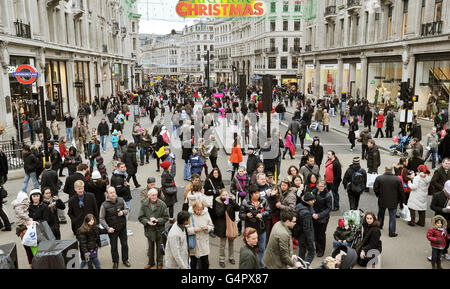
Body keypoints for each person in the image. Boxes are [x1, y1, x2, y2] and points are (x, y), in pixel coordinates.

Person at [99, 186, 130, 269]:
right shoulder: (104, 205)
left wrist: (123, 212)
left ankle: (125, 260)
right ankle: (115, 262)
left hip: (122, 227)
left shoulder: (121, 200)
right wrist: (108, 228)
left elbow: (127, 209)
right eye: (111, 193)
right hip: (112, 230)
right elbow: (101, 219)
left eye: (114, 192)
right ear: (107, 194)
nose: (113, 194)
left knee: (124, 245)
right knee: (114, 247)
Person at [239, 184, 270, 268]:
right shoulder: (245, 202)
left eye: (258, 192)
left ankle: (261, 266)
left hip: (261, 229)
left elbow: (268, 211)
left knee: (262, 249)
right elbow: (240, 215)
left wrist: (262, 214)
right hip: (250, 231)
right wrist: (246, 215)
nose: (257, 194)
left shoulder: (264, 200)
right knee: (251, 249)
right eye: (255, 193)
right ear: (251, 194)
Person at [138, 188, 169, 269]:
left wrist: (157, 220)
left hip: (159, 230)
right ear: (148, 196)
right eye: (152, 195)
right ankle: (150, 262)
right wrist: (148, 222)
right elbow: (141, 217)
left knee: (159, 248)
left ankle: (160, 263)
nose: (154, 196)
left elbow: (166, 218)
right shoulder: (145, 204)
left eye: (155, 195)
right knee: (150, 248)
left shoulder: (162, 204)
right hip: (149, 230)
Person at [374, 166, 405, 238]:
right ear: (392, 170)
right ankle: (392, 232)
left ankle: (379, 226)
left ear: (385, 169)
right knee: (392, 217)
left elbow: (375, 188)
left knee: (380, 214)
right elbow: (401, 191)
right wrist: (402, 201)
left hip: (382, 199)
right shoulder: (397, 179)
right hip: (393, 201)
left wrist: (378, 195)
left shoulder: (379, 178)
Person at [214, 189, 241, 268]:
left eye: (226, 195)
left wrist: (233, 202)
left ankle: (231, 257)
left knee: (231, 243)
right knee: (222, 244)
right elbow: (219, 214)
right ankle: (221, 259)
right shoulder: (218, 202)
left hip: (230, 225)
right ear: (220, 196)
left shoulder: (231, 201)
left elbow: (238, 208)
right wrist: (225, 205)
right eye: (223, 195)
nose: (225, 196)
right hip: (222, 226)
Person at [187, 200, 214, 269]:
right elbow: (185, 229)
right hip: (194, 243)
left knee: (205, 263)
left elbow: (211, 226)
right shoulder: (189, 215)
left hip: (203, 243)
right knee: (193, 262)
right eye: (197, 210)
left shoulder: (206, 213)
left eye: (200, 210)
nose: (199, 211)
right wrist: (193, 230)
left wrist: (207, 228)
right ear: (193, 208)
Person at [293, 191, 316, 264]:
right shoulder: (306, 213)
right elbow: (307, 229)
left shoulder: (299, 205)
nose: (313, 201)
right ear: (307, 201)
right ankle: (303, 266)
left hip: (299, 234)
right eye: (312, 200)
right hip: (305, 236)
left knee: (301, 252)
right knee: (312, 252)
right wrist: (310, 241)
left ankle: (299, 265)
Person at [13, 191, 34, 267]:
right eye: (24, 199)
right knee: (28, 247)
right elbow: (21, 214)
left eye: (26, 199)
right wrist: (28, 219)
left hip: (25, 225)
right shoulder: (18, 206)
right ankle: (31, 264)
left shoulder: (25, 204)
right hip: (21, 222)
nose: (26, 201)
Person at [430, 180, 450, 259]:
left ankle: (445, 251)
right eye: (448, 193)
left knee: (448, 237)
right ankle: (439, 252)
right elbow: (432, 206)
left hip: (449, 220)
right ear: (444, 190)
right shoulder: (437, 195)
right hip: (440, 220)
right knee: (439, 236)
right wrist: (442, 209)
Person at [312, 181, 332, 257]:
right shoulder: (314, 192)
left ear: (325, 186)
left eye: (322, 186)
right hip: (314, 216)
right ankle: (317, 248)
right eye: (319, 186)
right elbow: (311, 204)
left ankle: (321, 250)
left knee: (321, 234)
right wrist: (313, 213)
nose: (320, 188)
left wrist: (319, 215)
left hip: (323, 218)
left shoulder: (328, 196)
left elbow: (329, 208)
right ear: (317, 186)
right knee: (315, 233)